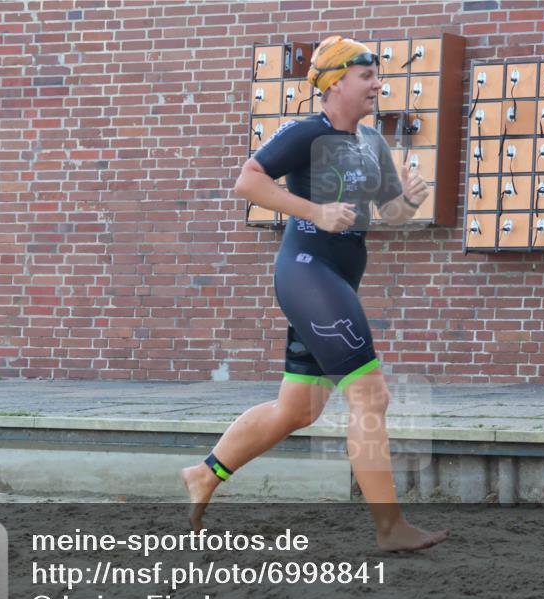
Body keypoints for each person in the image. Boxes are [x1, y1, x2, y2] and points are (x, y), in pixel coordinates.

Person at [181, 36, 449, 552]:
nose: (377, 84)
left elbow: (389, 214)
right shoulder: (306, 132)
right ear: (335, 82)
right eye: (367, 76)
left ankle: (205, 474)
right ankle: (390, 527)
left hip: (335, 279)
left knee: (298, 408)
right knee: (371, 395)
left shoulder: (371, 143)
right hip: (309, 272)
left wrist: (408, 201)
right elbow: (248, 181)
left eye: (377, 75)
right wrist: (315, 211)